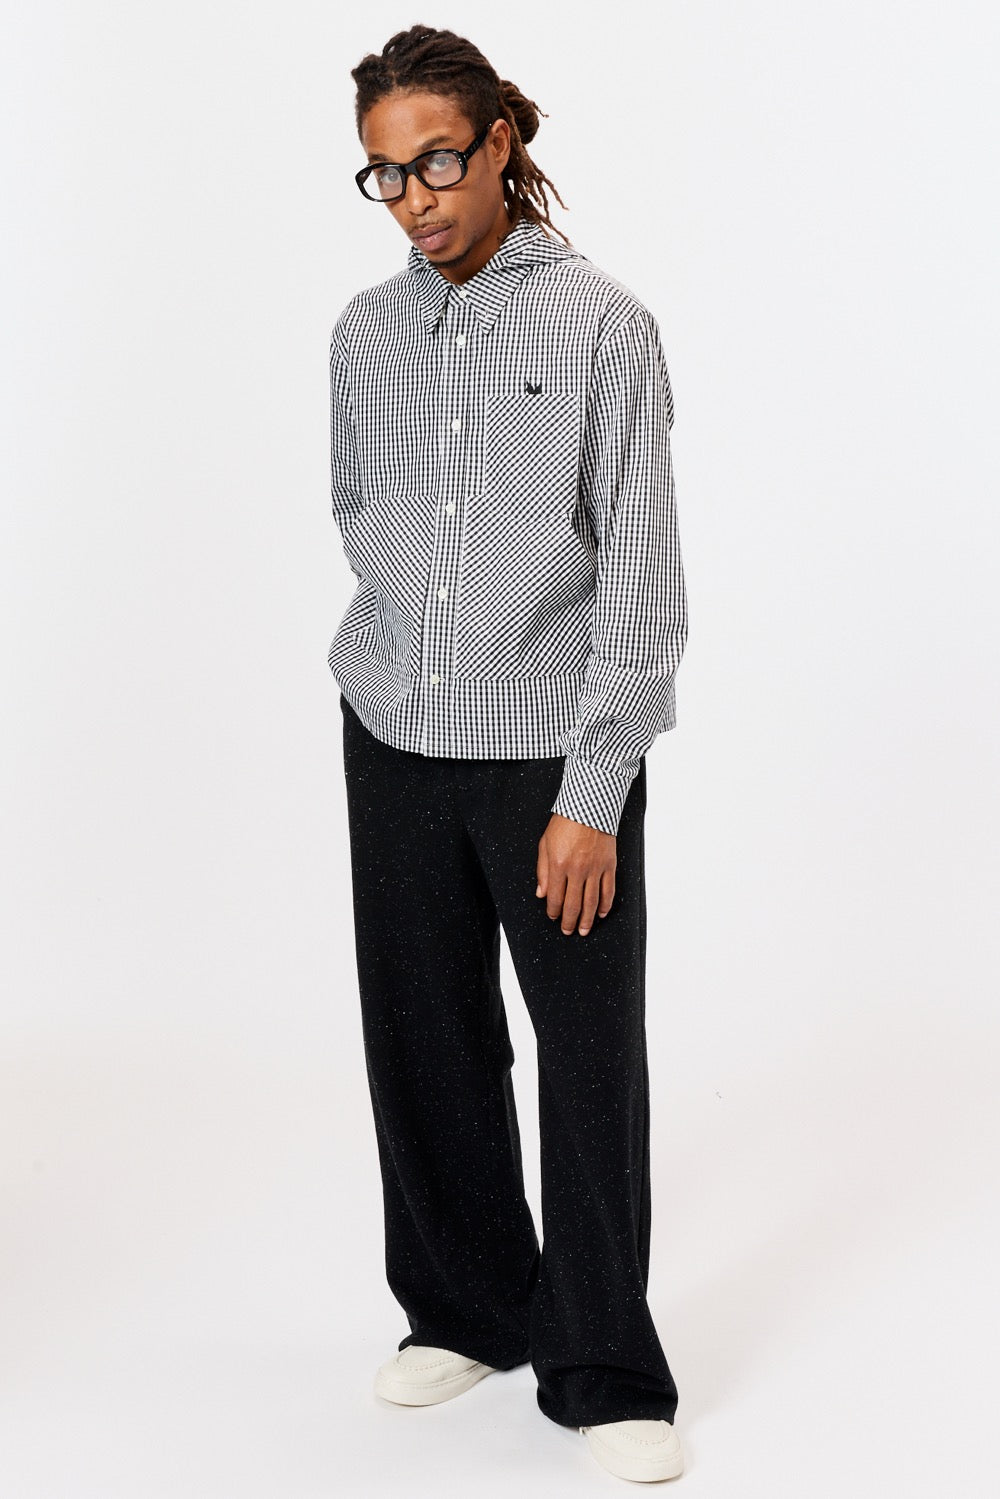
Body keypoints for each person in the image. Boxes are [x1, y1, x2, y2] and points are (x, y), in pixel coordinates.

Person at [327, 23, 689, 1486]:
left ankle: (602, 1364)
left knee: (587, 1061)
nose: (413, 198)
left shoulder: (605, 327)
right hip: (391, 734)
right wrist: (397, 643)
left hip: (549, 750)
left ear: (500, 145)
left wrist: (594, 791)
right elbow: (352, 502)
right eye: (383, 172)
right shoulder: (363, 332)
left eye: (435, 162)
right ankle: (464, 1306)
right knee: (424, 1041)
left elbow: (643, 583)